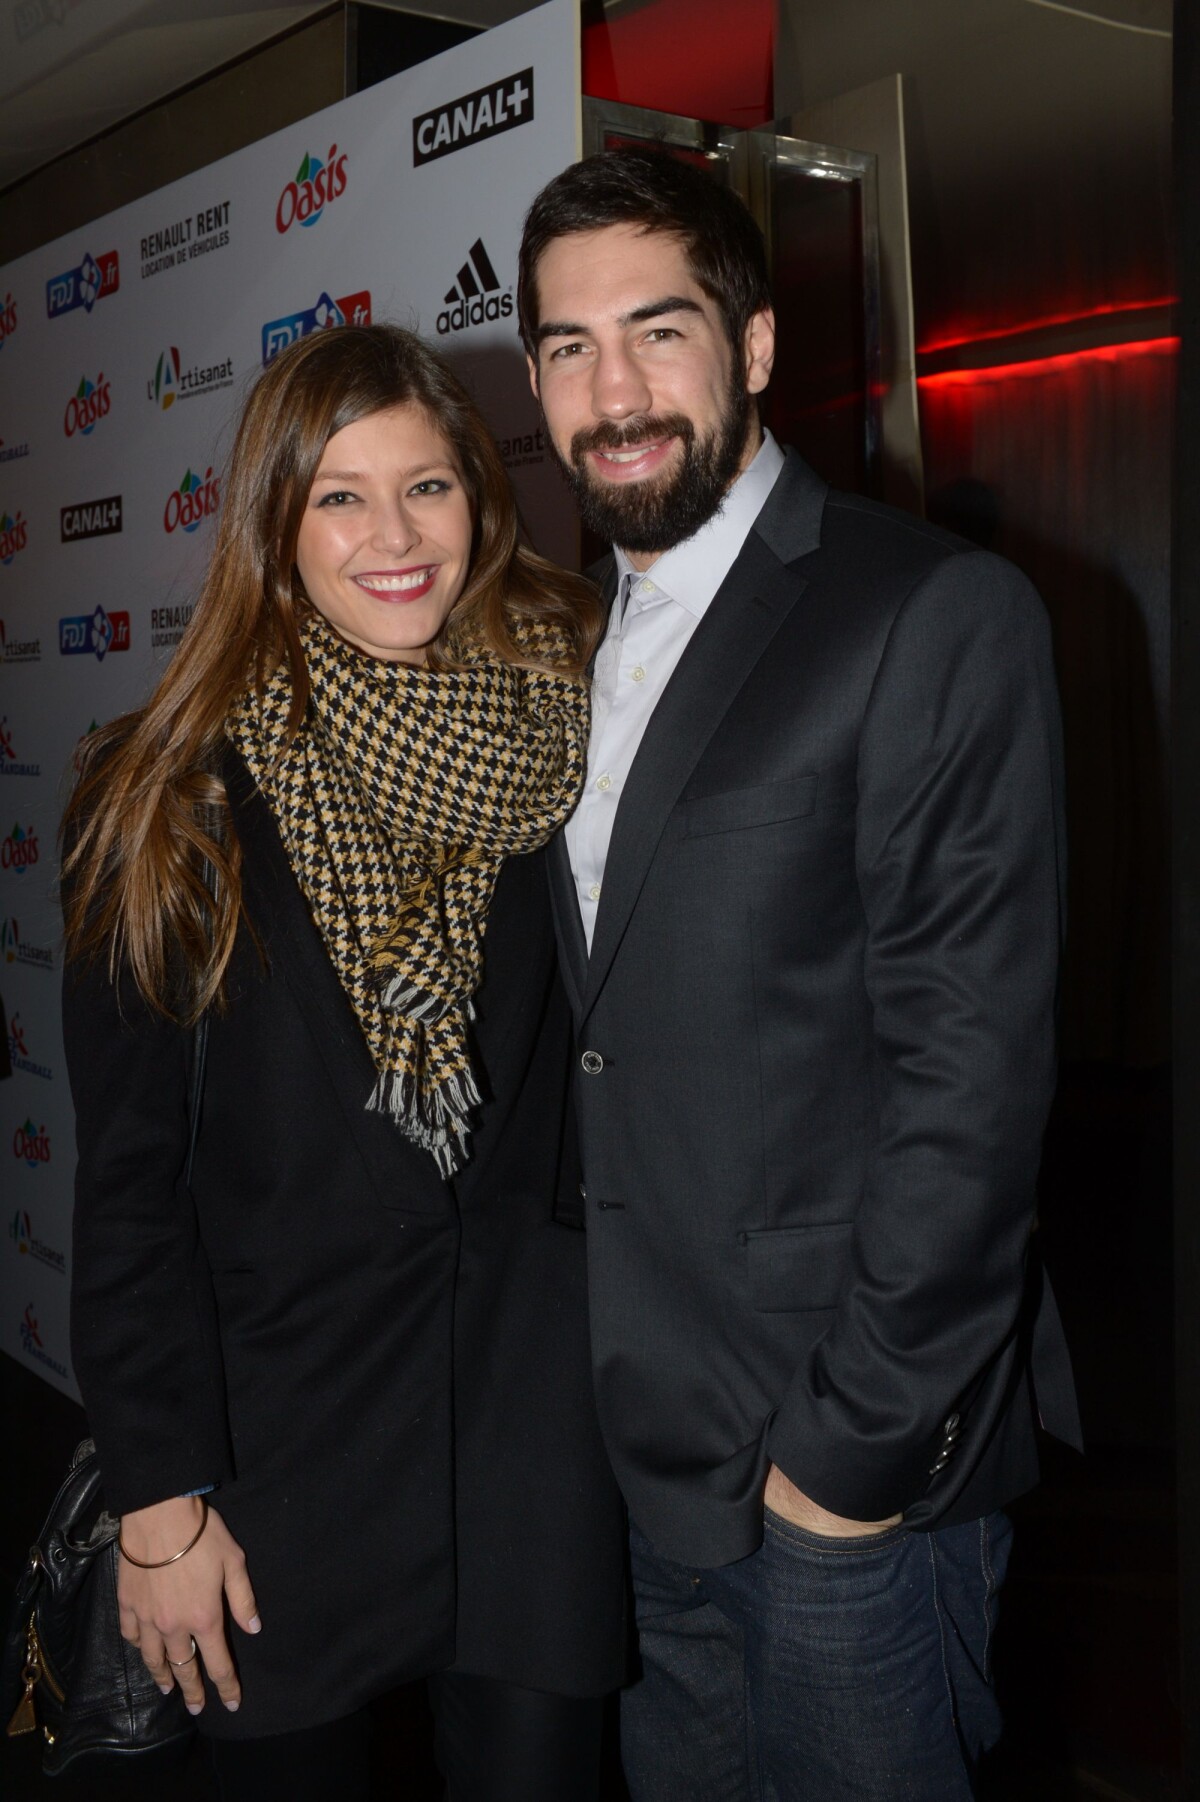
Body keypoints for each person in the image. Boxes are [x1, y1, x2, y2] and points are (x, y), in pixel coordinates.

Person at [517, 147, 1082, 1800]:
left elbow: (973, 1084)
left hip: (844, 1482)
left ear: (753, 347)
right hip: (635, 1459)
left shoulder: (927, 613)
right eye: (566, 347)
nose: (612, 392)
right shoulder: (558, 643)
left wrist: (841, 1461)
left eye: (658, 330)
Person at [60, 323, 625, 1802]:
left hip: (529, 1443)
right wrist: (159, 1505)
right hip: (276, 1470)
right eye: (341, 497)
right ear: (274, 523)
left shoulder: (563, 748)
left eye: (428, 488)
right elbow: (129, 1192)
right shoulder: (165, 801)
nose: (395, 537)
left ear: (481, 504)